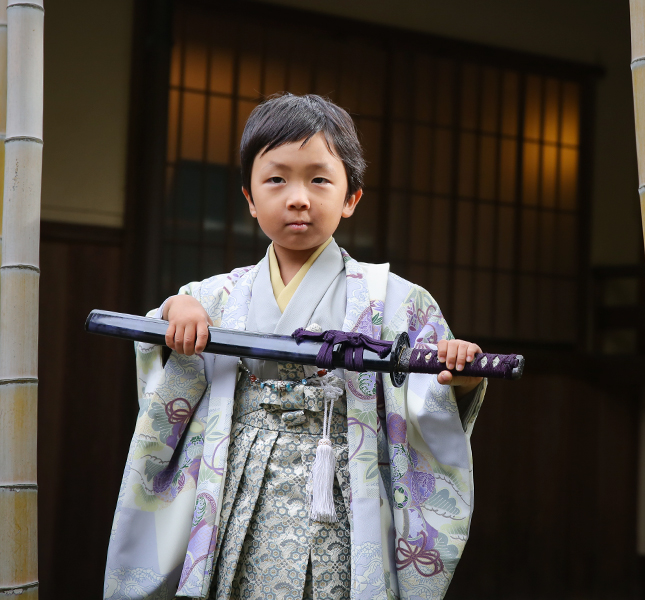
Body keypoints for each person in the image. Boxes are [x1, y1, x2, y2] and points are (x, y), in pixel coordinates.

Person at [104, 93, 487, 600]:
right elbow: (168, 343)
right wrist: (177, 312)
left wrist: (459, 375)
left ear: (351, 197)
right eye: (277, 179)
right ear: (249, 197)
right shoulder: (214, 296)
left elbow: (427, 397)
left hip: (345, 494)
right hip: (238, 489)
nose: (298, 197)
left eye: (319, 179)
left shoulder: (396, 301)